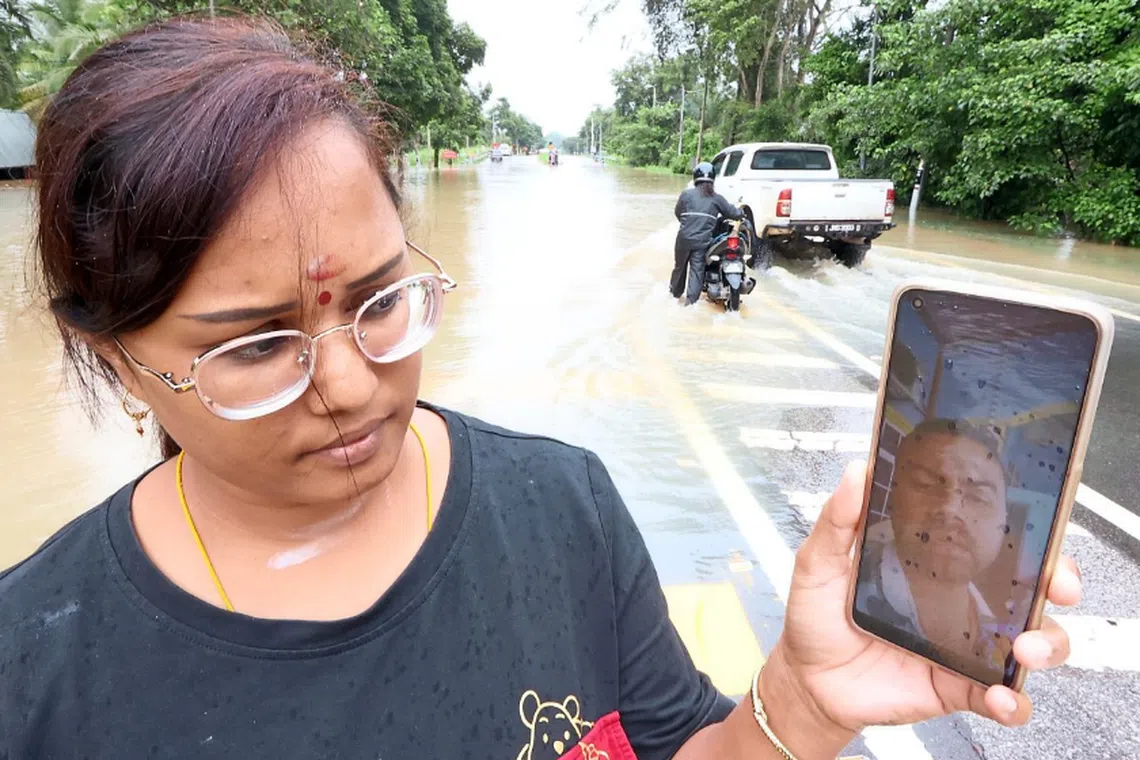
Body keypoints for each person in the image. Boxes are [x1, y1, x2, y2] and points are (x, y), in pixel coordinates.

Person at [0, 17, 1080, 760]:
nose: (346, 383)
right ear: (107, 355)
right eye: (255, 346)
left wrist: (799, 700)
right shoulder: (33, 671)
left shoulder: (562, 510)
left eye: (380, 301)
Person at [856, 419, 1020, 683]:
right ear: (892, 497)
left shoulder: (999, 644)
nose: (950, 509)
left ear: (1004, 522)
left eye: (978, 497)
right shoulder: (847, 585)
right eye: (924, 483)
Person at [672, 162, 743, 305]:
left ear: (695, 177)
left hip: (683, 239)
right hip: (702, 241)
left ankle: (674, 296)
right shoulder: (717, 198)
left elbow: (678, 213)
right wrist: (741, 212)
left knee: (680, 267)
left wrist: (688, 224)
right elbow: (732, 212)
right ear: (713, 178)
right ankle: (690, 304)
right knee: (697, 271)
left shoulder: (686, 194)